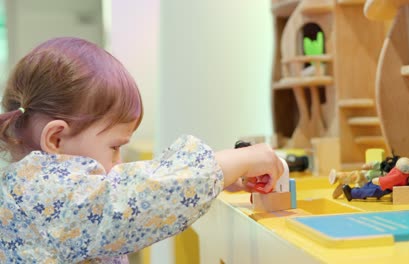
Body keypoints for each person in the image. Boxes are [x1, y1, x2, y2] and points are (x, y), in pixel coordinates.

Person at [0, 37, 285, 263]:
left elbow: (126, 185)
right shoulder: (45, 193)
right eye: (114, 147)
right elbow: (137, 198)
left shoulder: (37, 188)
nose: (118, 161)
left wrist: (222, 176)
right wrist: (229, 163)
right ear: (56, 140)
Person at [342, 157, 409, 201]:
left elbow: (388, 180)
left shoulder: (399, 175)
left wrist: (378, 180)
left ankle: (352, 193)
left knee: (371, 191)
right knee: (369, 185)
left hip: (384, 187)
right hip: (384, 183)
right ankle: (358, 191)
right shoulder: (402, 172)